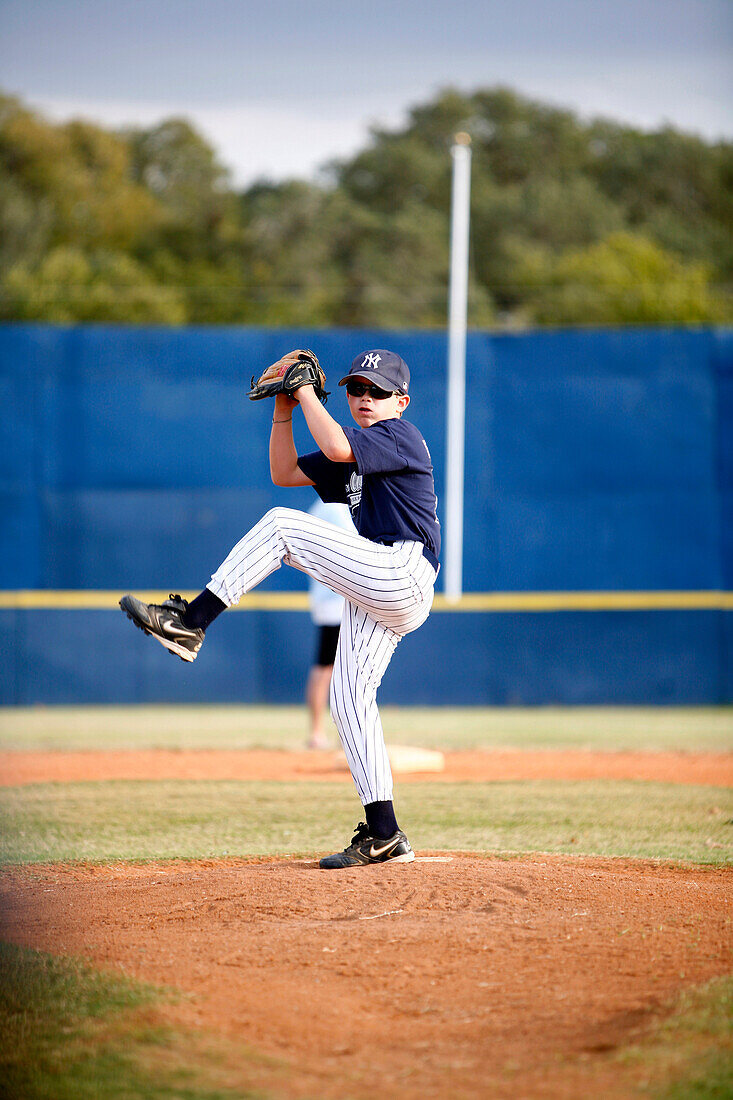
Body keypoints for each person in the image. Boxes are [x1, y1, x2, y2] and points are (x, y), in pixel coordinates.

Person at [120, 348, 440, 869]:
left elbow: (336, 446)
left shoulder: (398, 436)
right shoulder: (359, 453)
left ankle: (191, 621)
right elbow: (284, 471)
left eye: (377, 392)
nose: (364, 398)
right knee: (349, 697)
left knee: (282, 527)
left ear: (400, 402)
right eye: (356, 388)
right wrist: (285, 407)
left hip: (401, 569)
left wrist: (309, 392)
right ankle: (384, 833)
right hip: (379, 582)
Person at [305, 500, 355, 751]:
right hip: (335, 600)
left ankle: (326, 733)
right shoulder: (333, 508)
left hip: (338, 599)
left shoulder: (328, 507)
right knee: (329, 668)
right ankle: (318, 733)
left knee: (333, 668)